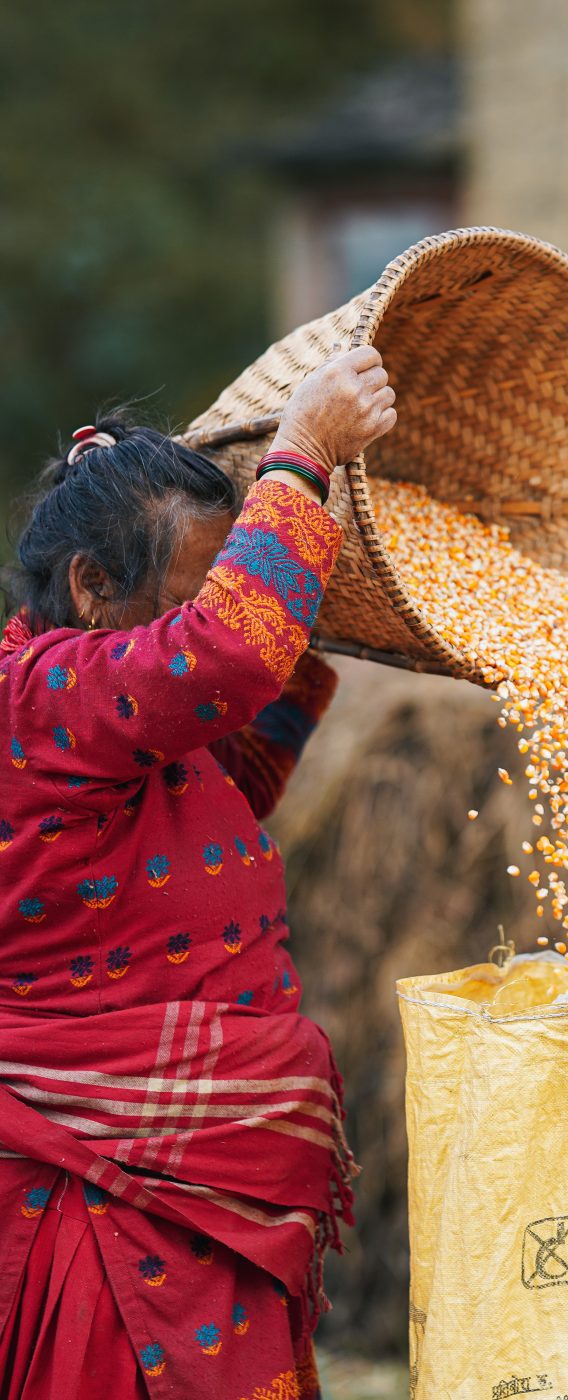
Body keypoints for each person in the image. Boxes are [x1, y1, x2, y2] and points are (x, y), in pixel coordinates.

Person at [0, 346, 395, 1399]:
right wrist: (302, 456)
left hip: (198, 1180)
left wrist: (315, 577)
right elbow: (222, 657)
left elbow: (238, 758)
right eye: (187, 596)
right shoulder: (38, 699)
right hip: (103, 1191)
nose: (208, 614)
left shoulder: (123, 725)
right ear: (91, 587)